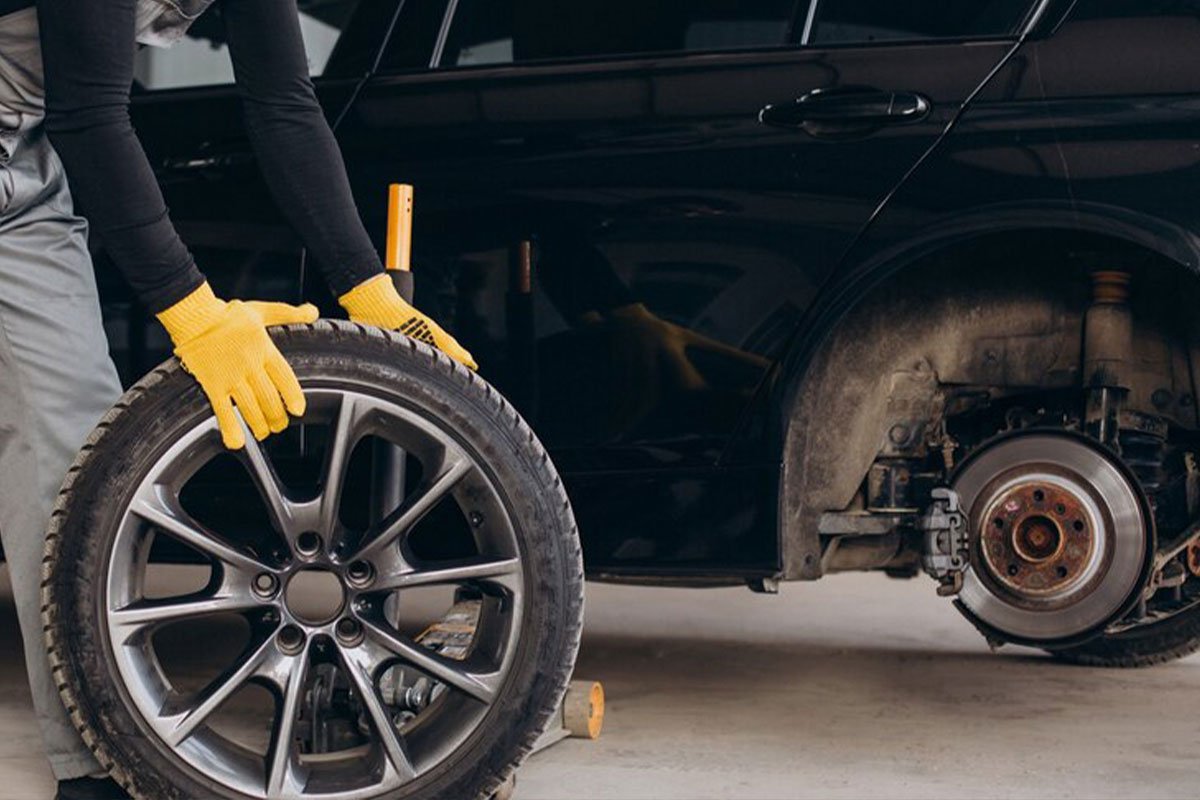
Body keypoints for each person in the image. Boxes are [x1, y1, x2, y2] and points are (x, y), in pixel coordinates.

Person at [0, 1, 476, 797]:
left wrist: (370, 294)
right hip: (51, 135)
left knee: (71, 454)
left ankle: (95, 763)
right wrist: (196, 315)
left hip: (22, 182)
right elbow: (91, 114)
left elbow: (284, 103)